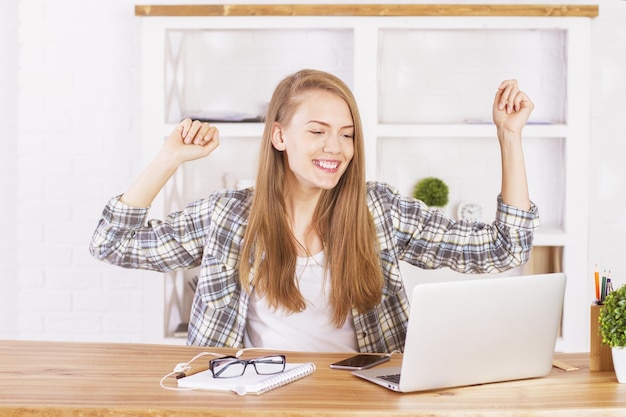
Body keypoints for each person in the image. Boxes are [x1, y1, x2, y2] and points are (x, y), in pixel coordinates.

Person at [90, 69, 539, 353]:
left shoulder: (378, 210)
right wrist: (169, 158)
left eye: (346, 135)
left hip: (361, 399)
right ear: (279, 136)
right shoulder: (227, 217)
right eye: (318, 131)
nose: (335, 148)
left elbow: (505, 248)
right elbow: (112, 244)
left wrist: (509, 136)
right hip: (254, 401)